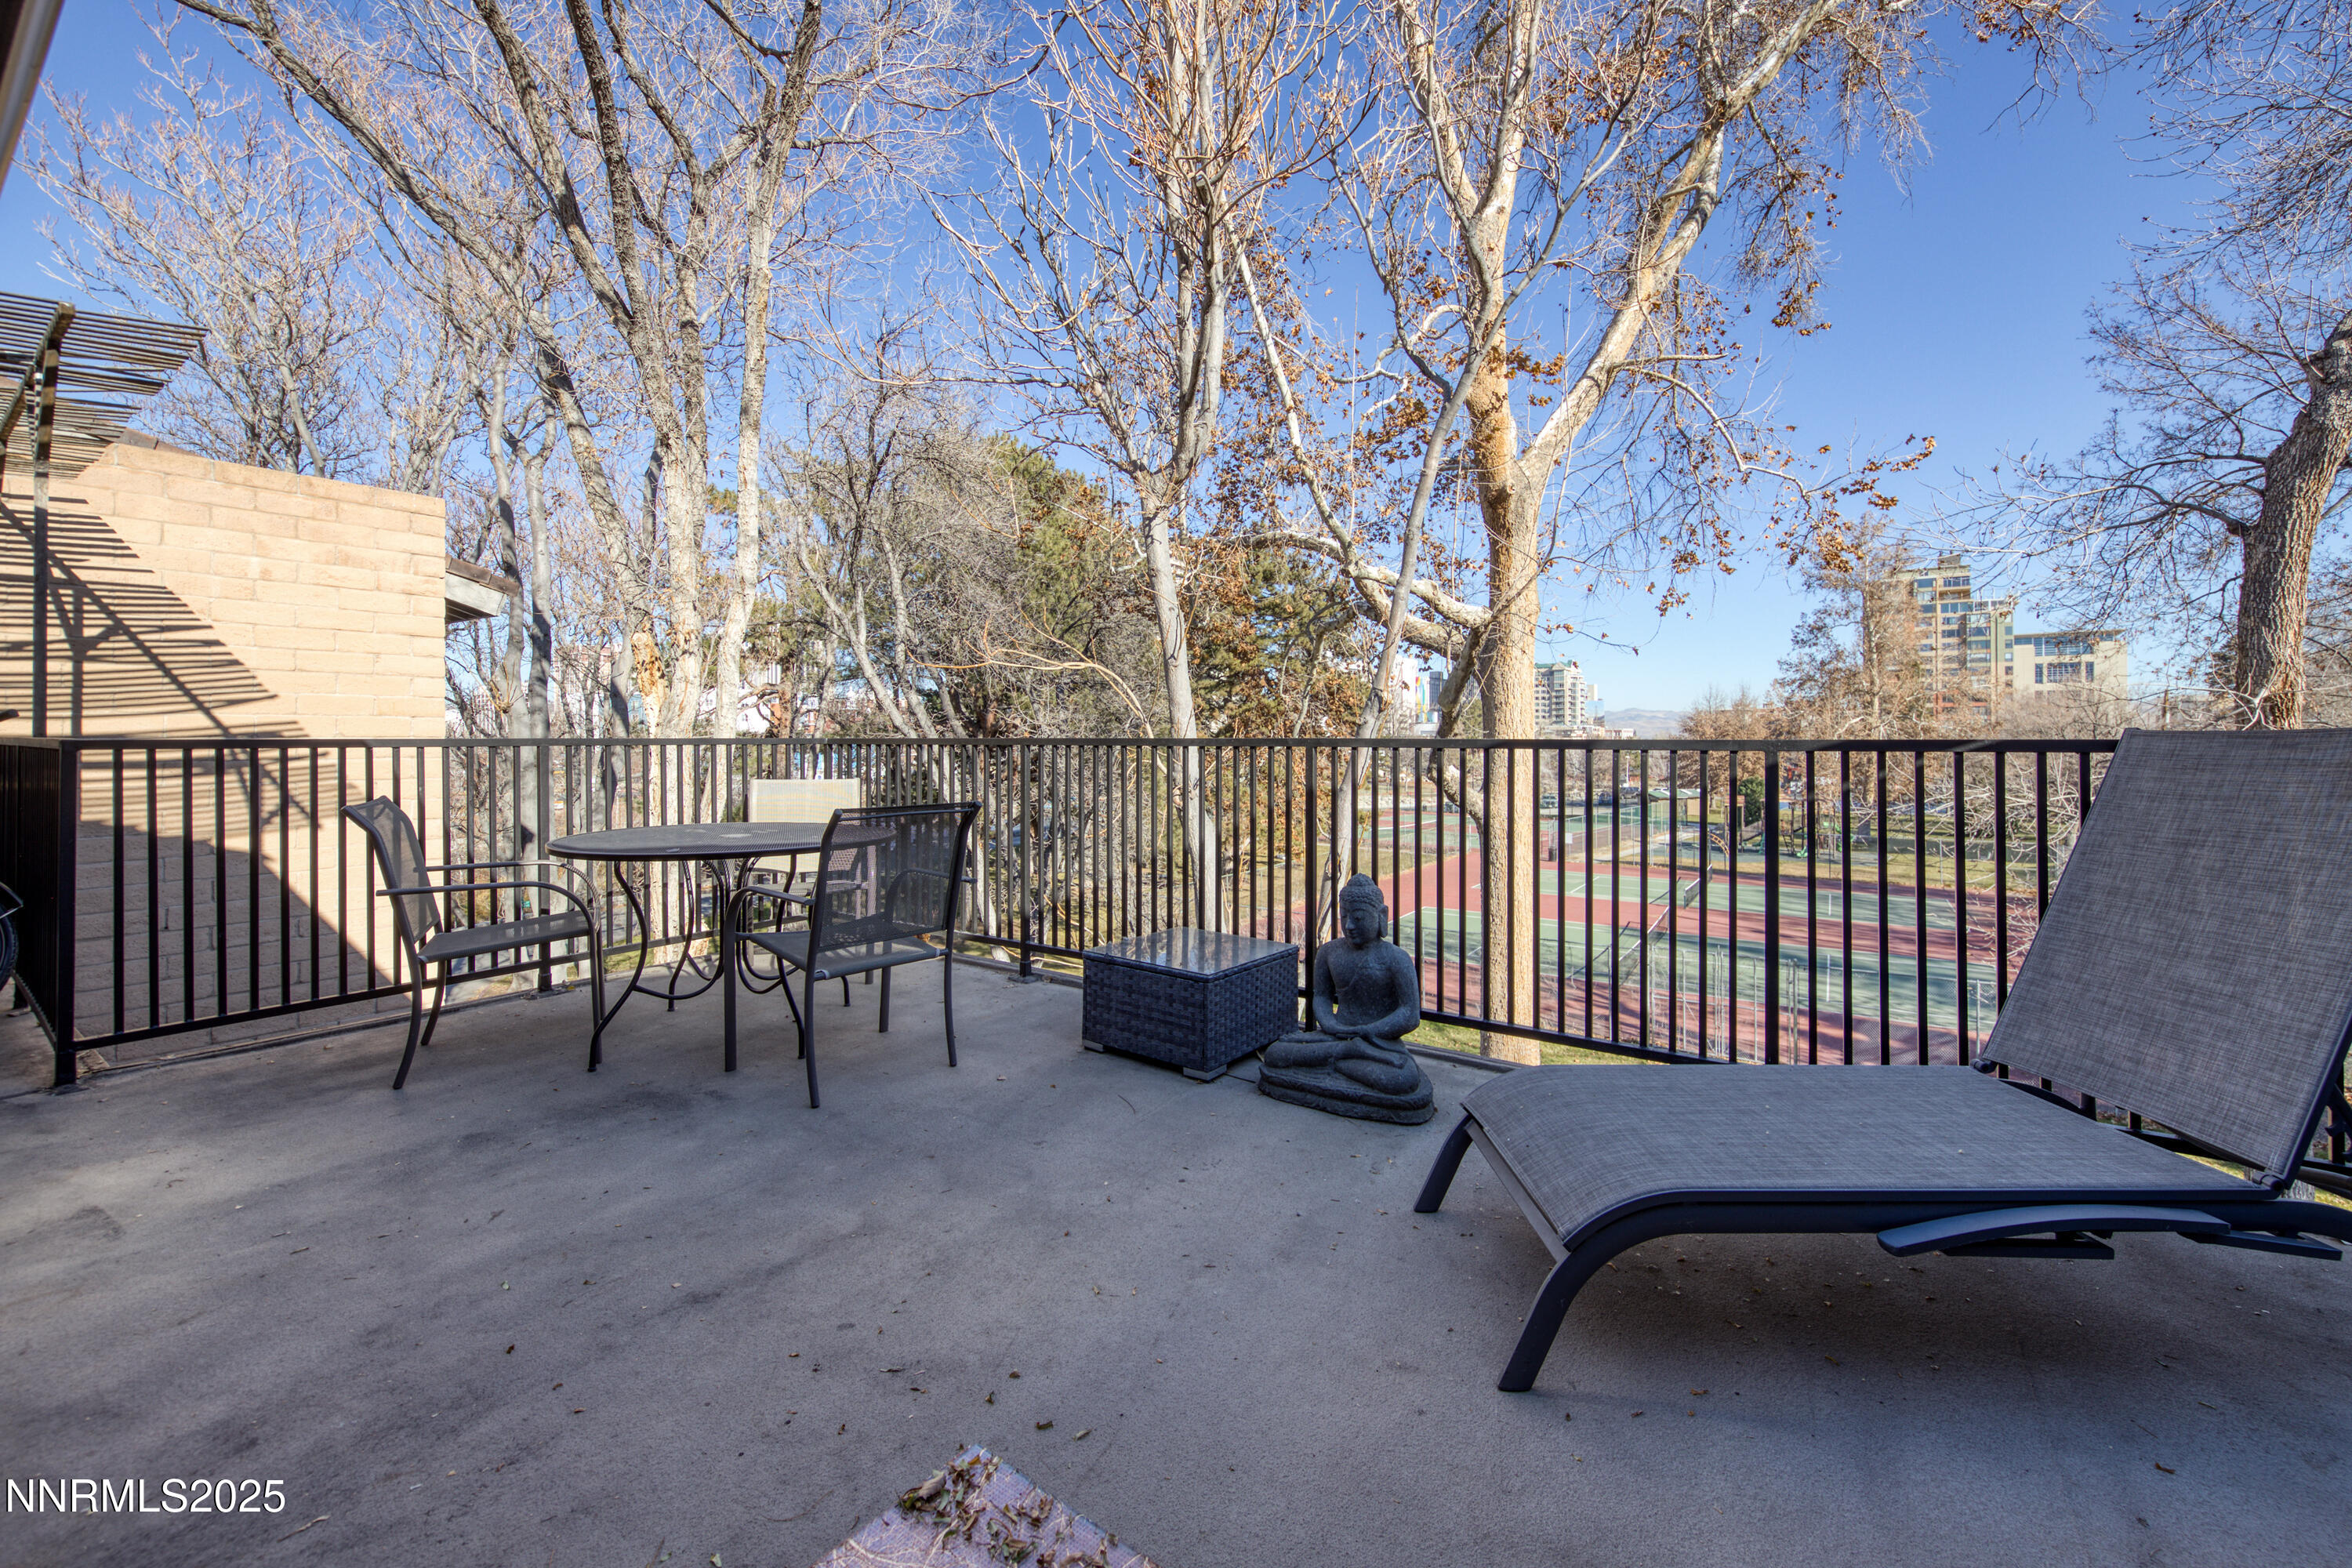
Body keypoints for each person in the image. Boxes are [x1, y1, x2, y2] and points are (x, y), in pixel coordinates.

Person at [1260, 873, 1433, 1120]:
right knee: (1276, 1053)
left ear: (1381, 916)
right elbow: (1320, 997)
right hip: (1335, 1036)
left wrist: (1367, 1031)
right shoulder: (1330, 953)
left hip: (1378, 1043)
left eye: (1359, 918)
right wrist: (1330, 1024)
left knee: (1402, 1079)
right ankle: (1347, 1053)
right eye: (1344, 917)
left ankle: (1342, 1056)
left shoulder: (1396, 959)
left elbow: (1409, 1014)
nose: (1350, 925)